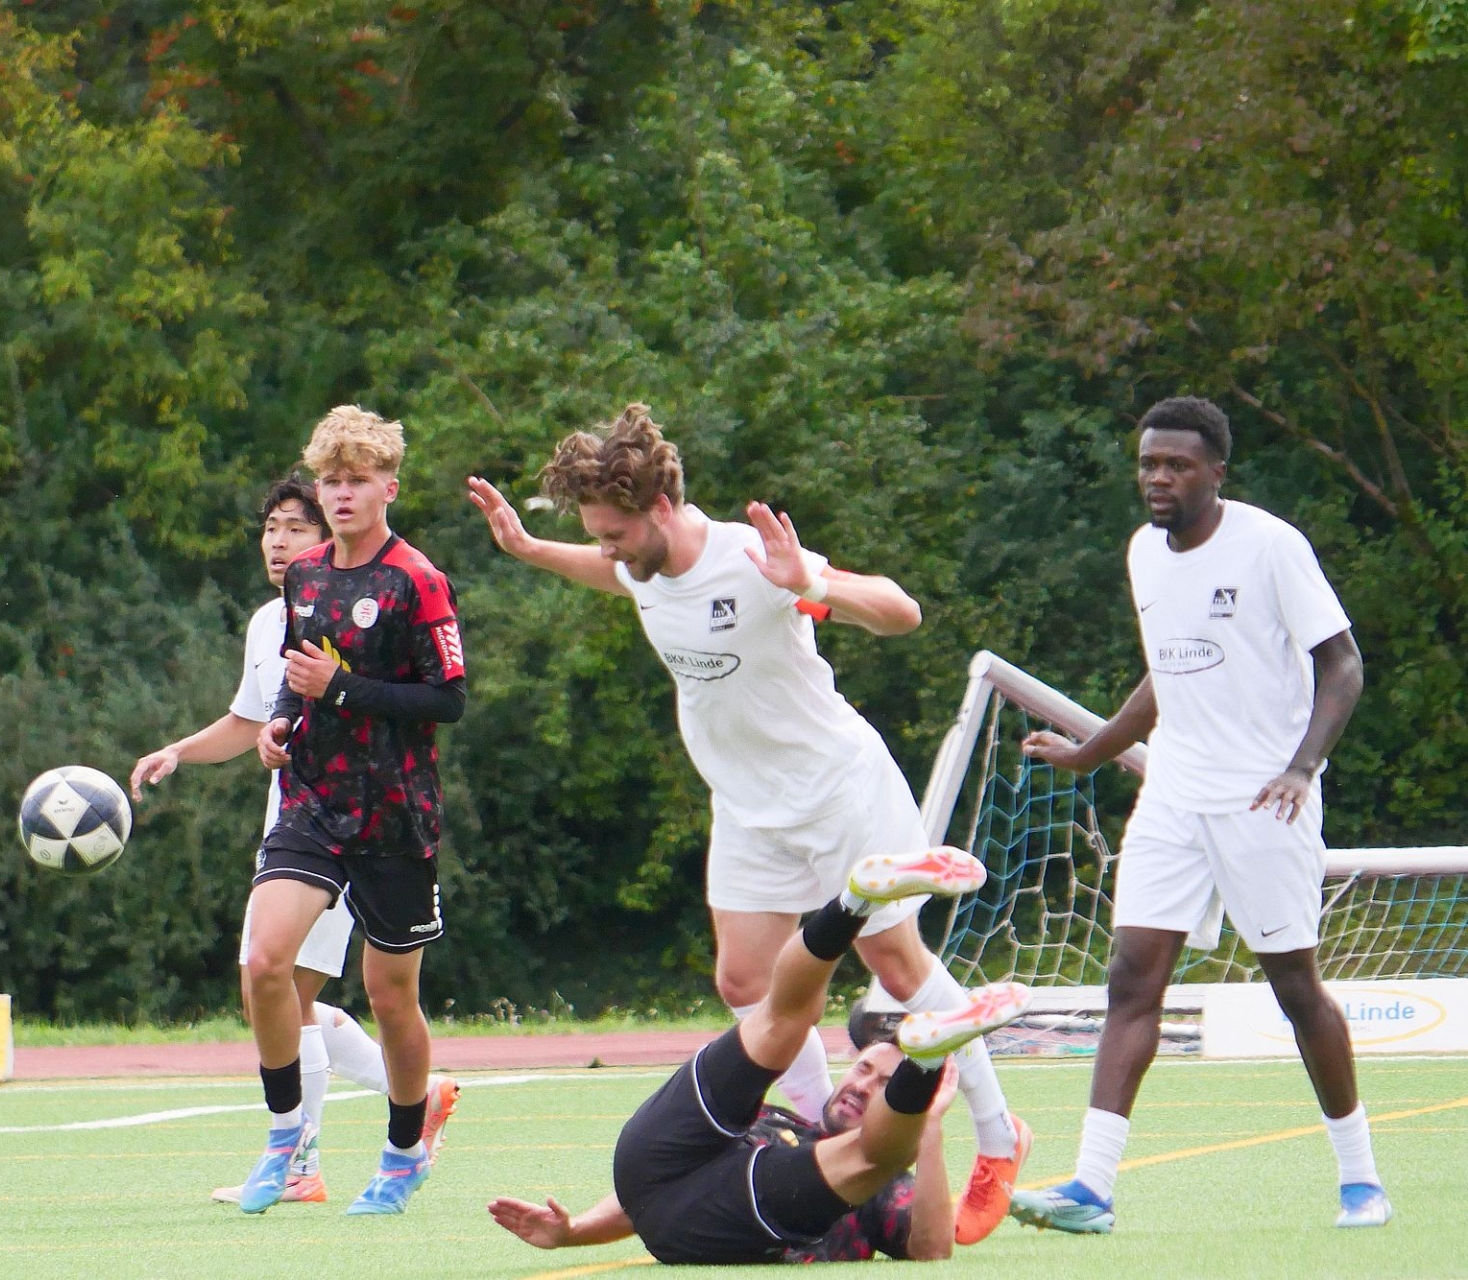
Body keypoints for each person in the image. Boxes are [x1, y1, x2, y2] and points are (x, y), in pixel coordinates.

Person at [468, 404, 1030, 1243]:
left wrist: (812, 582)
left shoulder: (749, 558)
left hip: (835, 787)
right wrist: (531, 549)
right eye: (597, 536)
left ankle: (1000, 1137)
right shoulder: (640, 563)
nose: (607, 550)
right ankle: (822, 1132)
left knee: (893, 962)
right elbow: (615, 574)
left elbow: (901, 611)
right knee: (744, 984)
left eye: (614, 533)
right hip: (746, 806)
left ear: (661, 508)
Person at [1015, 395, 1389, 1232]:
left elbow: (1344, 665)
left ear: (1217, 472)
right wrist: (1089, 752)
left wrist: (1301, 768)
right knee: (1130, 978)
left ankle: (1362, 1179)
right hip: (1173, 796)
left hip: (1264, 799)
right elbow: (1166, 675)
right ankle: (1092, 1188)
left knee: (1295, 988)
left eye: (1177, 465)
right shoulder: (1143, 553)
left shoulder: (1270, 546)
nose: (1159, 478)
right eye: (1149, 463)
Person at [132, 474, 448, 1204]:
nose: (279, 541)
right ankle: (383, 1109)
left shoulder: (393, 588)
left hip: (376, 818)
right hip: (299, 818)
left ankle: (312, 1159)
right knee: (269, 986)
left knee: (309, 991)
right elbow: (251, 721)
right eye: (271, 527)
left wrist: (338, 688)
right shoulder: (270, 618)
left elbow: (439, 695)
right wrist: (181, 750)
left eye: (294, 527)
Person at [488, 846, 1031, 1264]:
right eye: (864, 1069)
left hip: (710, 1217)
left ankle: (920, 1049)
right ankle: (855, 904)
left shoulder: (880, 1189)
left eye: (884, 1087)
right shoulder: (775, 1116)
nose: (862, 1086)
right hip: (653, 1171)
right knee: (781, 1018)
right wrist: (575, 1232)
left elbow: (931, 1249)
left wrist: (927, 1126)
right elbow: (648, 1194)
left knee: (871, 1149)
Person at [234, 406, 467, 1216]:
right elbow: (296, 677)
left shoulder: (417, 581)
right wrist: (278, 726)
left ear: (387, 489)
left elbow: (447, 700)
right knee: (265, 963)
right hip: (311, 802)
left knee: (391, 996)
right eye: (330, 480)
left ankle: (403, 1153)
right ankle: (285, 1140)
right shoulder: (304, 576)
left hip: (394, 815)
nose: (340, 494)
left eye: (356, 481)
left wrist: (342, 690)